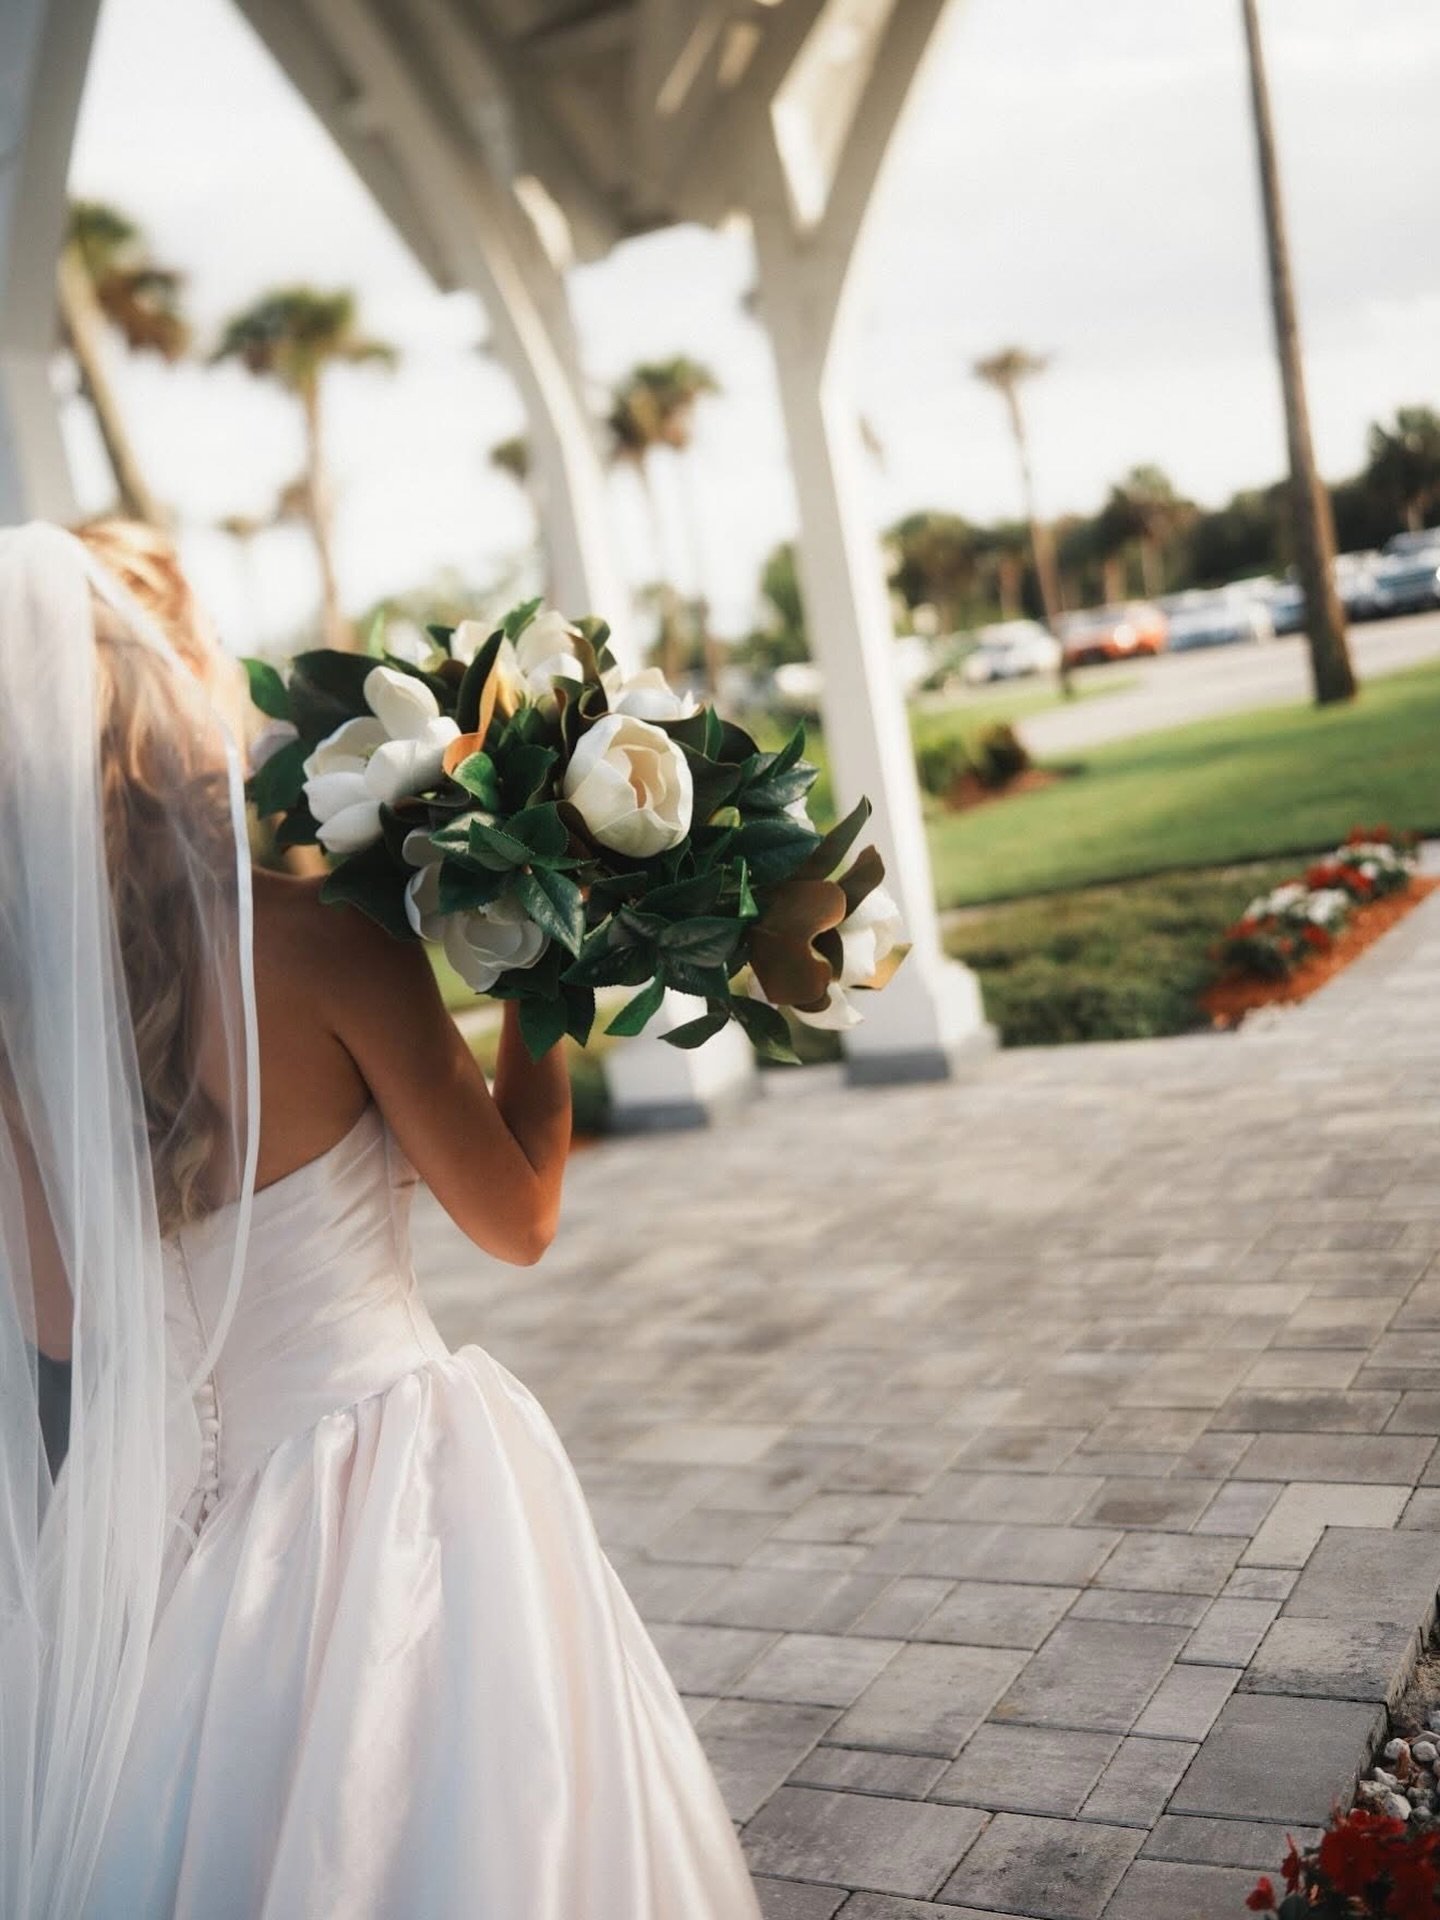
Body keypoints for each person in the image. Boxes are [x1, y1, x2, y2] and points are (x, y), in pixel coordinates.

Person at [0, 522, 760, 1920]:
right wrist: (549, 975)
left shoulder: (23, 1042)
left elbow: (63, 1331)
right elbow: (517, 1216)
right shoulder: (330, 944)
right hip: (402, 1489)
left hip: (174, 1545)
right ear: (170, 686)